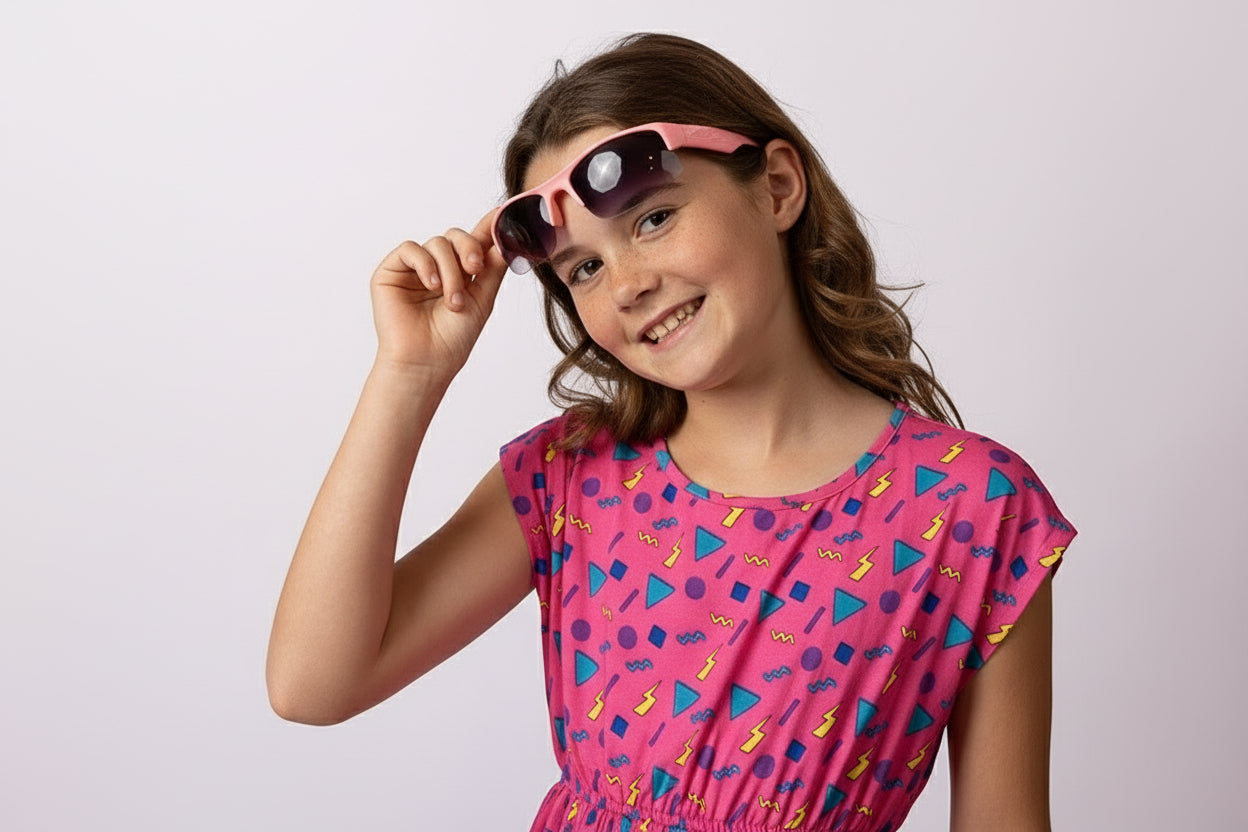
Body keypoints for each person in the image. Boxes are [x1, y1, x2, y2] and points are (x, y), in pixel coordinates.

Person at [266, 32, 1077, 832]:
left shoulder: (973, 509)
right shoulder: (567, 477)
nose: (626, 284)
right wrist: (408, 375)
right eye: (582, 268)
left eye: (652, 218)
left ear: (778, 187)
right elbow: (313, 684)